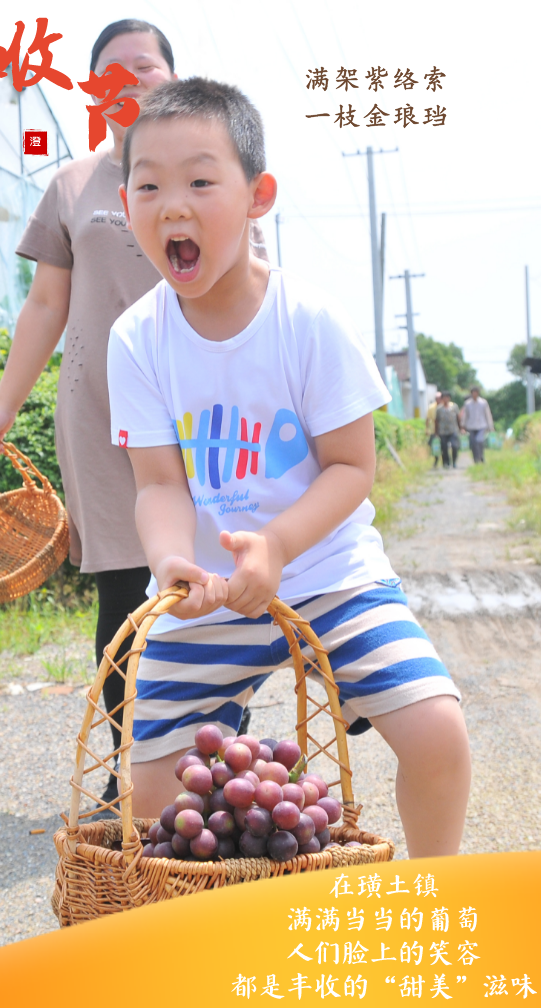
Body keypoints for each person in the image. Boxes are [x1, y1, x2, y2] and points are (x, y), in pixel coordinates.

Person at [107, 78, 470, 858]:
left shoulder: (306, 318)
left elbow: (350, 467)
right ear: (126, 200)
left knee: (437, 729)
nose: (174, 205)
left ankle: (435, 899)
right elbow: (160, 482)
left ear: (257, 196)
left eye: (202, 180)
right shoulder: (135, 338)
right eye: (149, 185)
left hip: (329, 575)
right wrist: (172, 562)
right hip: (206, 597)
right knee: (148, 795)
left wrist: (275, 546)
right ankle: (216, 923)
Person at [0, 22, 265, 813]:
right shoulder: (71, 185)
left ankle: (215, 759)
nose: (129, 79)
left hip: (209, 414)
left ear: (171, 79)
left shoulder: (212, 177)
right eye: (112, 70)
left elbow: (258, 284)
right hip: (103, 417)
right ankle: (130, 766)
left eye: (147, 66)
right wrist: (3, 404)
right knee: (125, 598)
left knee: (222, 578)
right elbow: (45, 304)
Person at [460, 386, 494, 464]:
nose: (474, 394)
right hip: (471, 426)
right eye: (473, 392)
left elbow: (488, 414)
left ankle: (481, 456)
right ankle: (476, 458)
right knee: (473, 443)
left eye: (476, 392)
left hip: (481, 425)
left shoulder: (483, 402)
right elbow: (465, 415)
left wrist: (490, 426)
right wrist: (463, 426)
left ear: (478, 393)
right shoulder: (467, 403)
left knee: (479, 441)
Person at [435, 391, 461, 469]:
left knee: (454, 446)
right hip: (443, 431)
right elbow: (436, 421)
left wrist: (461, 428)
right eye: (444, 397)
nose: (446, 399)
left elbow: (458, 418)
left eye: (447, 397)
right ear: (442, 399)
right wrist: (436, 432)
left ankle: (454, 461)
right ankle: (446, 462)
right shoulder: (439, 408)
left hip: (453, 430)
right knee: (444, 447)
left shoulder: (454, 407)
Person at [425, 391, 442, 468]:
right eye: (436, 398)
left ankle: (445, 461)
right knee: (434, 445)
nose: (438, 399)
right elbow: (428, 419)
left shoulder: (445, 406)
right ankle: (436, 461)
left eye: (439, 398)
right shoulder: (431, 407)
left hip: (443, 430)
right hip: (434, 430)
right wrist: (427, 429)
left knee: (443, 446)